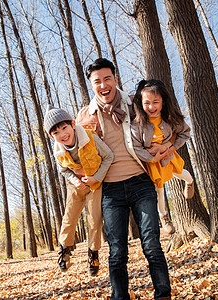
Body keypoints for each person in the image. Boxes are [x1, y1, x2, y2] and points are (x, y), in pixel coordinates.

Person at [77, 58, 171, 300]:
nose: (103, 85)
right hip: (110, 191)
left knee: (152, 246)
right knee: (117, 252)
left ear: (115, 80)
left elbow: (163, 125)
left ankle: (164, 296)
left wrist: (168, 147)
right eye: (97, 81)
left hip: (141, 182)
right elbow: (73, 153)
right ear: (92, 85)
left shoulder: (134, 104)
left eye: (107, 78)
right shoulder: (84, 117)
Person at [44, 105, 113, 276]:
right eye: (56, 133)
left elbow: (108, 156)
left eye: (64, 128)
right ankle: (65, 250)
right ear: (51, 136)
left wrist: (96, 178)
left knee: (94, 220)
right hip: (75, 186)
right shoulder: (57, 150)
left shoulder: (89, 137)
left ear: (73, 124)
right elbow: (63, 170)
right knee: (69, 217)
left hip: (94, 184)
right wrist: (75, 181)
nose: (62, 134)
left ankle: (93, 254)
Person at [131, 79, 194, 235]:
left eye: (155, 102)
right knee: (159, 189)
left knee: (179, 173)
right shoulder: (138, 124)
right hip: (152, 162)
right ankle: (164, 217)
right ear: (140, 103)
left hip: (168, 155)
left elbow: (185, 132)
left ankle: (190, 181)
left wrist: (168, 147)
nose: (151, 107)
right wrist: (152, 158)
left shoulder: (170, 118)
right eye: (147, 103)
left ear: (163, 102)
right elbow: (136, 147)